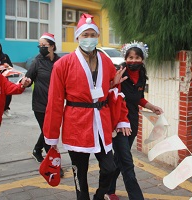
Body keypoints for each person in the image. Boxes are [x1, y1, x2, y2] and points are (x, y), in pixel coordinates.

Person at [43, 13, 131, 200]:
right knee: (80, 173)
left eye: (93, 35)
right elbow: (55, 102)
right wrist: (51, 138)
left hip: (101, 123)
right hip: (77, 124)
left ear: (97, 37)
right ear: (77, 37)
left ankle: (99, 196)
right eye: (85, 35)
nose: (89, 39)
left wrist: (114, 85)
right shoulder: (62, 65)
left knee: (110, 167)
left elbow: (112, 92)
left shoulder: (106, 61)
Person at [105, 41, 163, 200]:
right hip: (118, 124)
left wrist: (152, 107)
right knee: (127, 162)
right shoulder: (120, 73)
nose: (134, 60)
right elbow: (109, 94)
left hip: (132, 122)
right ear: (125, 57)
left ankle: (108, 190)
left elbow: (139, 98)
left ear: (142, 59)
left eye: (137, 57)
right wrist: (112, 83)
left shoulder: (142, 75)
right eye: (130, 57)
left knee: (119, 159)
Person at [25, 33, 64, 176]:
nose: (41, 48)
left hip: (56, 104)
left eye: (44, 45)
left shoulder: (60, 62)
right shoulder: (37, 62)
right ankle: (53, 166)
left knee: (48, 131)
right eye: (39, 45)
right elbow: (28, 79)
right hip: (40, 104)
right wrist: (25, 82)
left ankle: (36, 150)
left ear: (52, 46)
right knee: (48, 133)